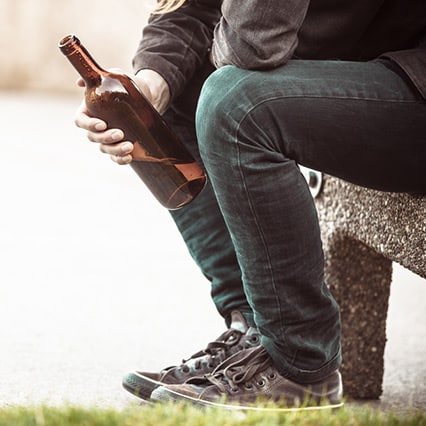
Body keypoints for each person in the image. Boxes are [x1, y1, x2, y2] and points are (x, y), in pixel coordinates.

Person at [74, 0, 426, 410]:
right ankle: (254, 334)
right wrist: (150, 84)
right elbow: (194, 8)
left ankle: (300, 364)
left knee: (234, 103)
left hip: (413, 80)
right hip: (376, 65)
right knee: (174, 94)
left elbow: (254, 46)